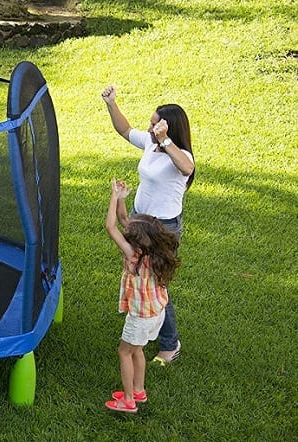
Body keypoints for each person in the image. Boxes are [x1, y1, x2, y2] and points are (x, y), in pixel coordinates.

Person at [101, 86, 195, 366]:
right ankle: (147, 324)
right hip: (138, 218)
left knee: (156, 283)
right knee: (141, 277)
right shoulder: (150, 144)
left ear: (169, 128)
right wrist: (111, 104)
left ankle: (170, 344)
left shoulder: (181, 154)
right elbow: (125, 129)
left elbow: (187, 169)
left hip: (163, 227)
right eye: (152, 122)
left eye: (155, 123)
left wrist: (164, 140)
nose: (149, 126)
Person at [104, 179, 180, 413]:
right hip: (155, 314)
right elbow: (126, 223)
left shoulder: (133, 255)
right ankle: (139, 390)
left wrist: (114, 196)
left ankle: (128, 400)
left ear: (136, 240)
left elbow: (112, 227)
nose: (128, 225)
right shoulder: (155, 252)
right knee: (137, 350)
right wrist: (123, 198)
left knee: (125, 351)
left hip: (140, 317)